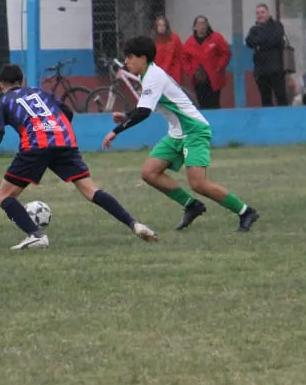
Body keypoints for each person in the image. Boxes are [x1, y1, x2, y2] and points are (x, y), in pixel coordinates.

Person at [0, 64, 157, 250]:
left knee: (3, 195)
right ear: (22, 81)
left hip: (36, 145)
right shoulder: (41, 93)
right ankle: (134, 224)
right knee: (90, 190)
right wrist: (54, 129)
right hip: (64, 141)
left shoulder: (2, 102)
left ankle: (36, 235)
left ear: (1, 84)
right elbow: (68, 112)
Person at [103, 36, 259, 232]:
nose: (126, 61)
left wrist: (115, 131)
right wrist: (126, 115)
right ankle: (191, 205)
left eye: (129, 57)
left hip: (194, 130)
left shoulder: (153, 76)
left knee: (198, 183)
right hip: (177, 133)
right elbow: (144, 107)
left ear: (142, 58)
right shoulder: (147, 75)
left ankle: (246, 211)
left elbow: (144, 112)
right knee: (149, 173)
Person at [182, 15, 231, 109]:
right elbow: (184, 58)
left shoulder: (216, 37)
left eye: (204, 23)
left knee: (214, 104)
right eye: (199, 24)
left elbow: (226, 53)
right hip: (199, 80)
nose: (202, 26)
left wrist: (219, 67)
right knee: (202, 105)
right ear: (195, 27)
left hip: (214, 78)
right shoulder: (189, 42)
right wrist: (191, 72)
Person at [245, 3, 289, 107]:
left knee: (281, 96)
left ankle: (285, 119)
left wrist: (259, 42)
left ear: (268, 13)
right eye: (257, 13)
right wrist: (264, 40)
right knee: (265, 99)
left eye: (262, 12)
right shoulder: (254, 29)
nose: (260, 15)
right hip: (261, 70)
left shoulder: (277, 25)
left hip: (276, 68)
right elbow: (249, 42)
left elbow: (276, 39)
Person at [151, 15, 185, 84]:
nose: (162, 27)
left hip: (173, 75)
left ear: (167, 27)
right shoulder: (153, 41)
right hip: (159, 74)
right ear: (156, 27)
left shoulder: (174, 38)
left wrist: (178, 71)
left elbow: (181, 55)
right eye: (159, 25)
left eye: (164, 25)